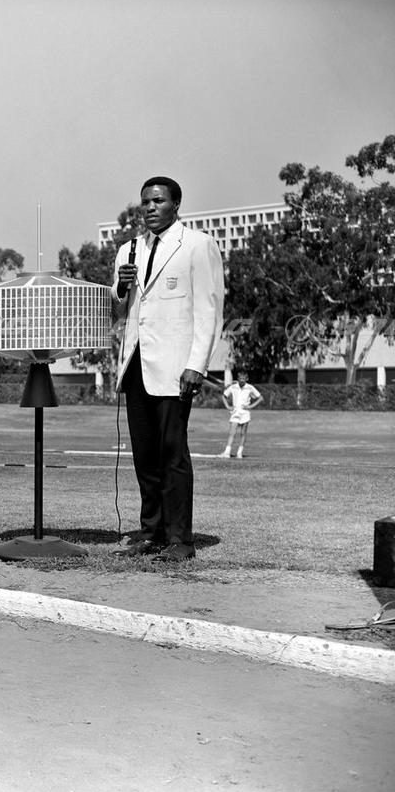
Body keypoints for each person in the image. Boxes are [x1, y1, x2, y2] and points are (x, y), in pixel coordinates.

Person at [111, 176, 225, 562]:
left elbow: (209, 311)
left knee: (172, 455)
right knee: (144, 457)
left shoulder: (197, 245)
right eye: (145, 201)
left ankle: (180, 540)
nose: (150, 207)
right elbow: (120, 311)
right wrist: (120, 287)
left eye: (158, 201)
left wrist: (197, 365)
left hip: (176, 368)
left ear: (176, 204)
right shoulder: (128, 250)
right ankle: (151, 533)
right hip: (136, 364)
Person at [219, 371, 262, 459]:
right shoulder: (233, 387)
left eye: (243, 378)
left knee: (243, 433)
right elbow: (224, 396)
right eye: (240, 378)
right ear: (238, 379)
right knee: (232, 432)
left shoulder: (250, 387)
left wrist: (250, 406)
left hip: (245, 413)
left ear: (246, 379)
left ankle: (239, 453)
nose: (242, 380)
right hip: (235, 412)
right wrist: (228, 406)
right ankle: (227, 452)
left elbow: (260, 398)